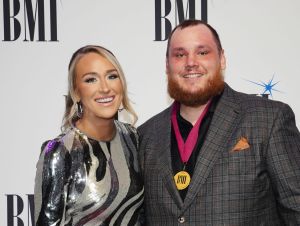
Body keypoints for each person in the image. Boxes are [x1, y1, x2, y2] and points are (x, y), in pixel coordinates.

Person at [138, 19, 300, 225]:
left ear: (222, 59)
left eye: (202, 52)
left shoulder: (269, 119)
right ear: (167, 65)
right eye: (180, 54)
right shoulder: (146, 135)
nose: (190, 62)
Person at [34, 45, 144, 226]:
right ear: (76, 92)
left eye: (112, 76)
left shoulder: (133, 139)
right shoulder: (59, 152)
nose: (105, 88)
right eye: (91, 79)